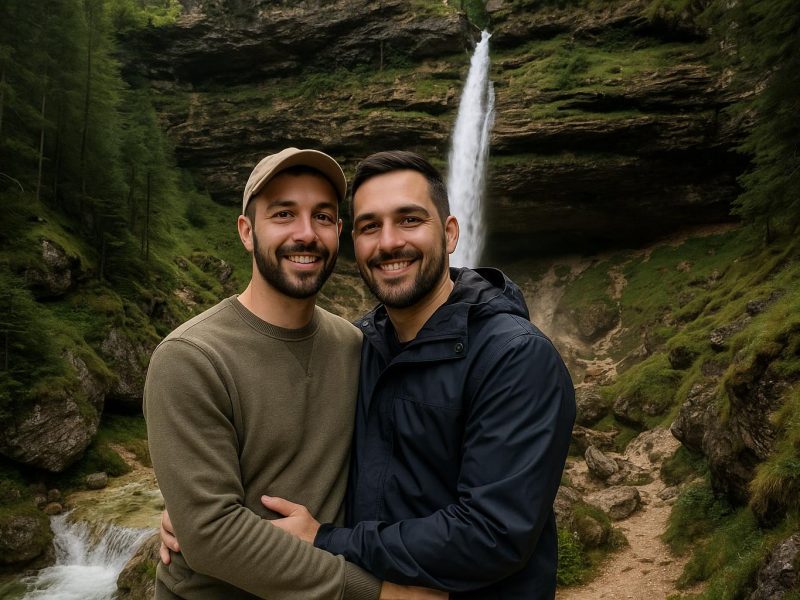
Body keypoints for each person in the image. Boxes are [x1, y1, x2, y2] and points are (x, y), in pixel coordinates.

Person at [259, 151, 576, 599]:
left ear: (449, 233)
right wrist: (206, 516)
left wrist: (329, 540)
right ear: (355, 242)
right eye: (370, 226)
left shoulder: (514, 356)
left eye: (409, 220)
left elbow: (492, 534)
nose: (389, 242)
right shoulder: (358, 346)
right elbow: (293, 453)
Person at [144, 148, 443, 600]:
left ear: (337, 232)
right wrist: (381, 594)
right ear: (247, 231)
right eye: (284, 214)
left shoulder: (356, 346)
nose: (306, 233)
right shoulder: (191, 357)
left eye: (321, 216)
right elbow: (210, 534)